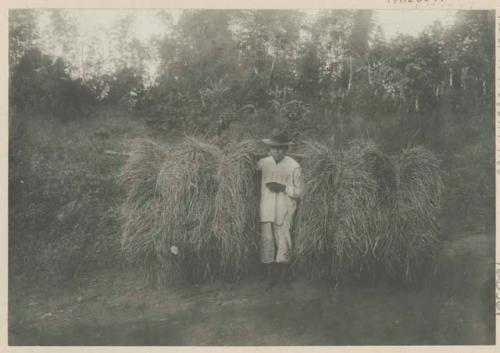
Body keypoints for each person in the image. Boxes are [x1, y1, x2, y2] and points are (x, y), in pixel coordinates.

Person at [256, 130, 303, 290]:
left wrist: (283, 187)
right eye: (274, 148)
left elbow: (300, 192)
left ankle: (283, 278)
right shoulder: (263, 163)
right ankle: (270, 278)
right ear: (269, 149)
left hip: (285, 210)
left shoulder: (294, 166)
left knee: (284, 243)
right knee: (267, 243)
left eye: (281, 148)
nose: (277, 151)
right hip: (266, 209)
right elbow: (252, 174)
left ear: (286, 150)